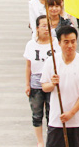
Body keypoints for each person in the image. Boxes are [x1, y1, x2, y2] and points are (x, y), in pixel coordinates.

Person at [41, 26, 79, 147]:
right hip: (57, 119)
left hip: (78, 121)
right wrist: (52, 84)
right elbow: (44, 87)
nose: (70, 45)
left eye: (73, 41)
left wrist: (72, 113)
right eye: (66, 42)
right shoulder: (51, 62)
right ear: (59, 43)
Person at [24, 15, 61, 147]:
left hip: (52, 82)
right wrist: (27, 84)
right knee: (36, 113)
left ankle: (51, 139)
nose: (47, 29)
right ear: (37, 28)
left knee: (52, 113)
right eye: (44, 26)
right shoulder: (31, 44)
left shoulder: (56, 43)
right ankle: (40, 141)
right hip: (36, 82)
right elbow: (28, 66)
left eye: (49, 26)